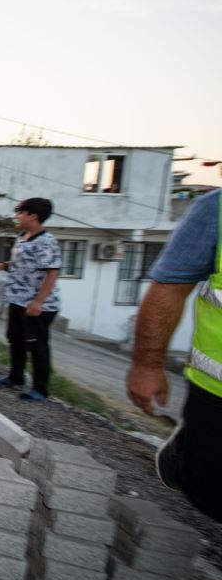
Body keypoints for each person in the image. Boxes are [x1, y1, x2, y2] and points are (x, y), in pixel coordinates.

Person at [126, 190, 220, 521]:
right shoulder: (216, 210)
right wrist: (147, 365)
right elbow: (169, 287)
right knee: (209, 491)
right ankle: (185, 452)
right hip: (217, 395)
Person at [0, 197, 62, 402]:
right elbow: (24, 264)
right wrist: (2, 266)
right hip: (18, 299)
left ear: (33, 216)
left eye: (21, 213)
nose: (17, 217)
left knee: (36, 344)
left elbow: (52, 273)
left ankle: (40, 389)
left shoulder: (46, 241)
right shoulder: (24, 236)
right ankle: (15, 376)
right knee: (15, 338)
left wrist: (38, 302)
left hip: (37, 304)